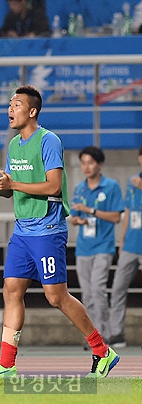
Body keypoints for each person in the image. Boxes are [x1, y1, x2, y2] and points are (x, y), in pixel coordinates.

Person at [0, 85, 119, 378]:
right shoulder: (14, 145)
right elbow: (12, 192)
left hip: (47, 230)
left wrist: (13, 185)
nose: (10, 110)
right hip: (22, 231)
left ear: (33, 111)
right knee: (11, 291)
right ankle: (6, 365)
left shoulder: (49, 140)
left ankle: (103, 351)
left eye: (16, 105)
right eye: (10, 105)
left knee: (56, 297)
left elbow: (53, 187)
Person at [70, 146, 123, 345]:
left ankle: (105, 334)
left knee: (98, 289)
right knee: (87, 293)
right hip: (83, 247)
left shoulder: (111, 186)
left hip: (103, 246)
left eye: (90, 162)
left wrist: (90, 211)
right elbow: (74, 216)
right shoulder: (80, 188)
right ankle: (92, 336)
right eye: (83, 163)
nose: (87, 167)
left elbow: (116, 216)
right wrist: (78, 220)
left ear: (99, 164)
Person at [108, 146, 142, 348]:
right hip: (130, 244)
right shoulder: (132, 181)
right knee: (118, 288)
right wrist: (122, 240)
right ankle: (116, 334)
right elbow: (127, 211)